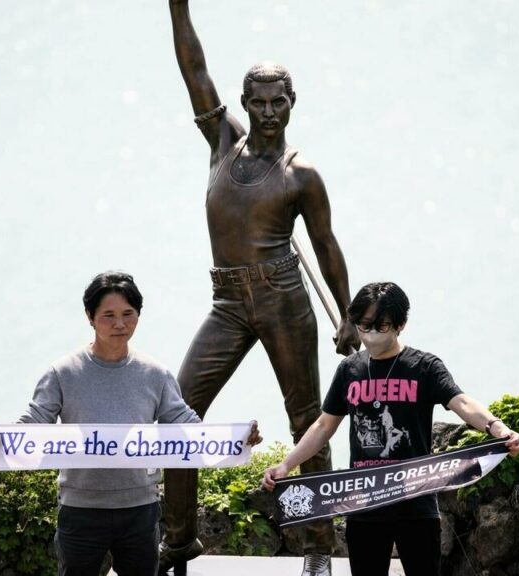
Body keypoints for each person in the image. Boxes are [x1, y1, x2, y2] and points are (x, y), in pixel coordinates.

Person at [161, 2, 361, 574]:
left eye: (279, 102)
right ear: (243, 104)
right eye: (259, 102)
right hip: (227, 302)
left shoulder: (303, 175)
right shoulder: (222, 142)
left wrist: (346, 314)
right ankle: (180, 540)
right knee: (178, 415)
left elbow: (326, 246)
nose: (269, 111)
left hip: (283, 300)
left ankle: (319, 549)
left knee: (309, 422)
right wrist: (178, 6)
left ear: (293, 105)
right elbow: (193, 69)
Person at [0, 271, 262, 576]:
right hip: (81, 509)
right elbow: (35, 422)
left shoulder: (155, 374)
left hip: (139, 509)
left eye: (128, 314)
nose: (120, 324)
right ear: (90, 317)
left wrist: (237, 439)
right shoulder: (63, 372)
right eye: (108, 315)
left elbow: (185, 424)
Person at [262, 282, 519, 576]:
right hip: (364, 505)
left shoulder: (424, 366)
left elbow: (461, 402)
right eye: (364, 326)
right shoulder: (350, 370)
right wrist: (286, 465)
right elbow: (323, 426)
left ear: (400, 325)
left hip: (416, 503)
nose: (371, 334)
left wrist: (496, 428)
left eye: (381, 326)